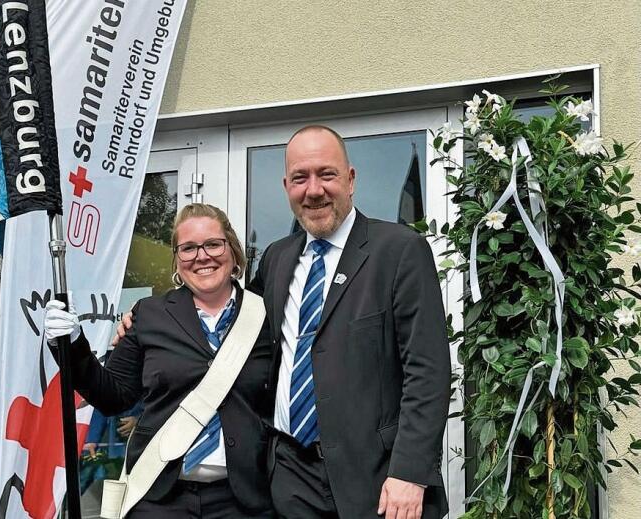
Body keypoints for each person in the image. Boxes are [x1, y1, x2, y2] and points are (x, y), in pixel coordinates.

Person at [115, 125, 451, 519]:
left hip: (378, 480)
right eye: (300, 178)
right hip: (290, 479)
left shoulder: (399, 251)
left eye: (326, 174)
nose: (314, 190)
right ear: (286, 186)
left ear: (351, 179)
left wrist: (410, 473)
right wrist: (144, 321)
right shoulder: (277, 259)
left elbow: (427, 371)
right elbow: (227, 320)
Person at [44, 203, 274, 518]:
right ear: (177, 262)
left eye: (213, 244)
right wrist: (72, 344)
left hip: (245, 502)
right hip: (160, 499)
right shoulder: (150, 314)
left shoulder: (267, 317)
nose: (202, 256)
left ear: (232, 251)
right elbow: (112, 397)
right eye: (188, 248)